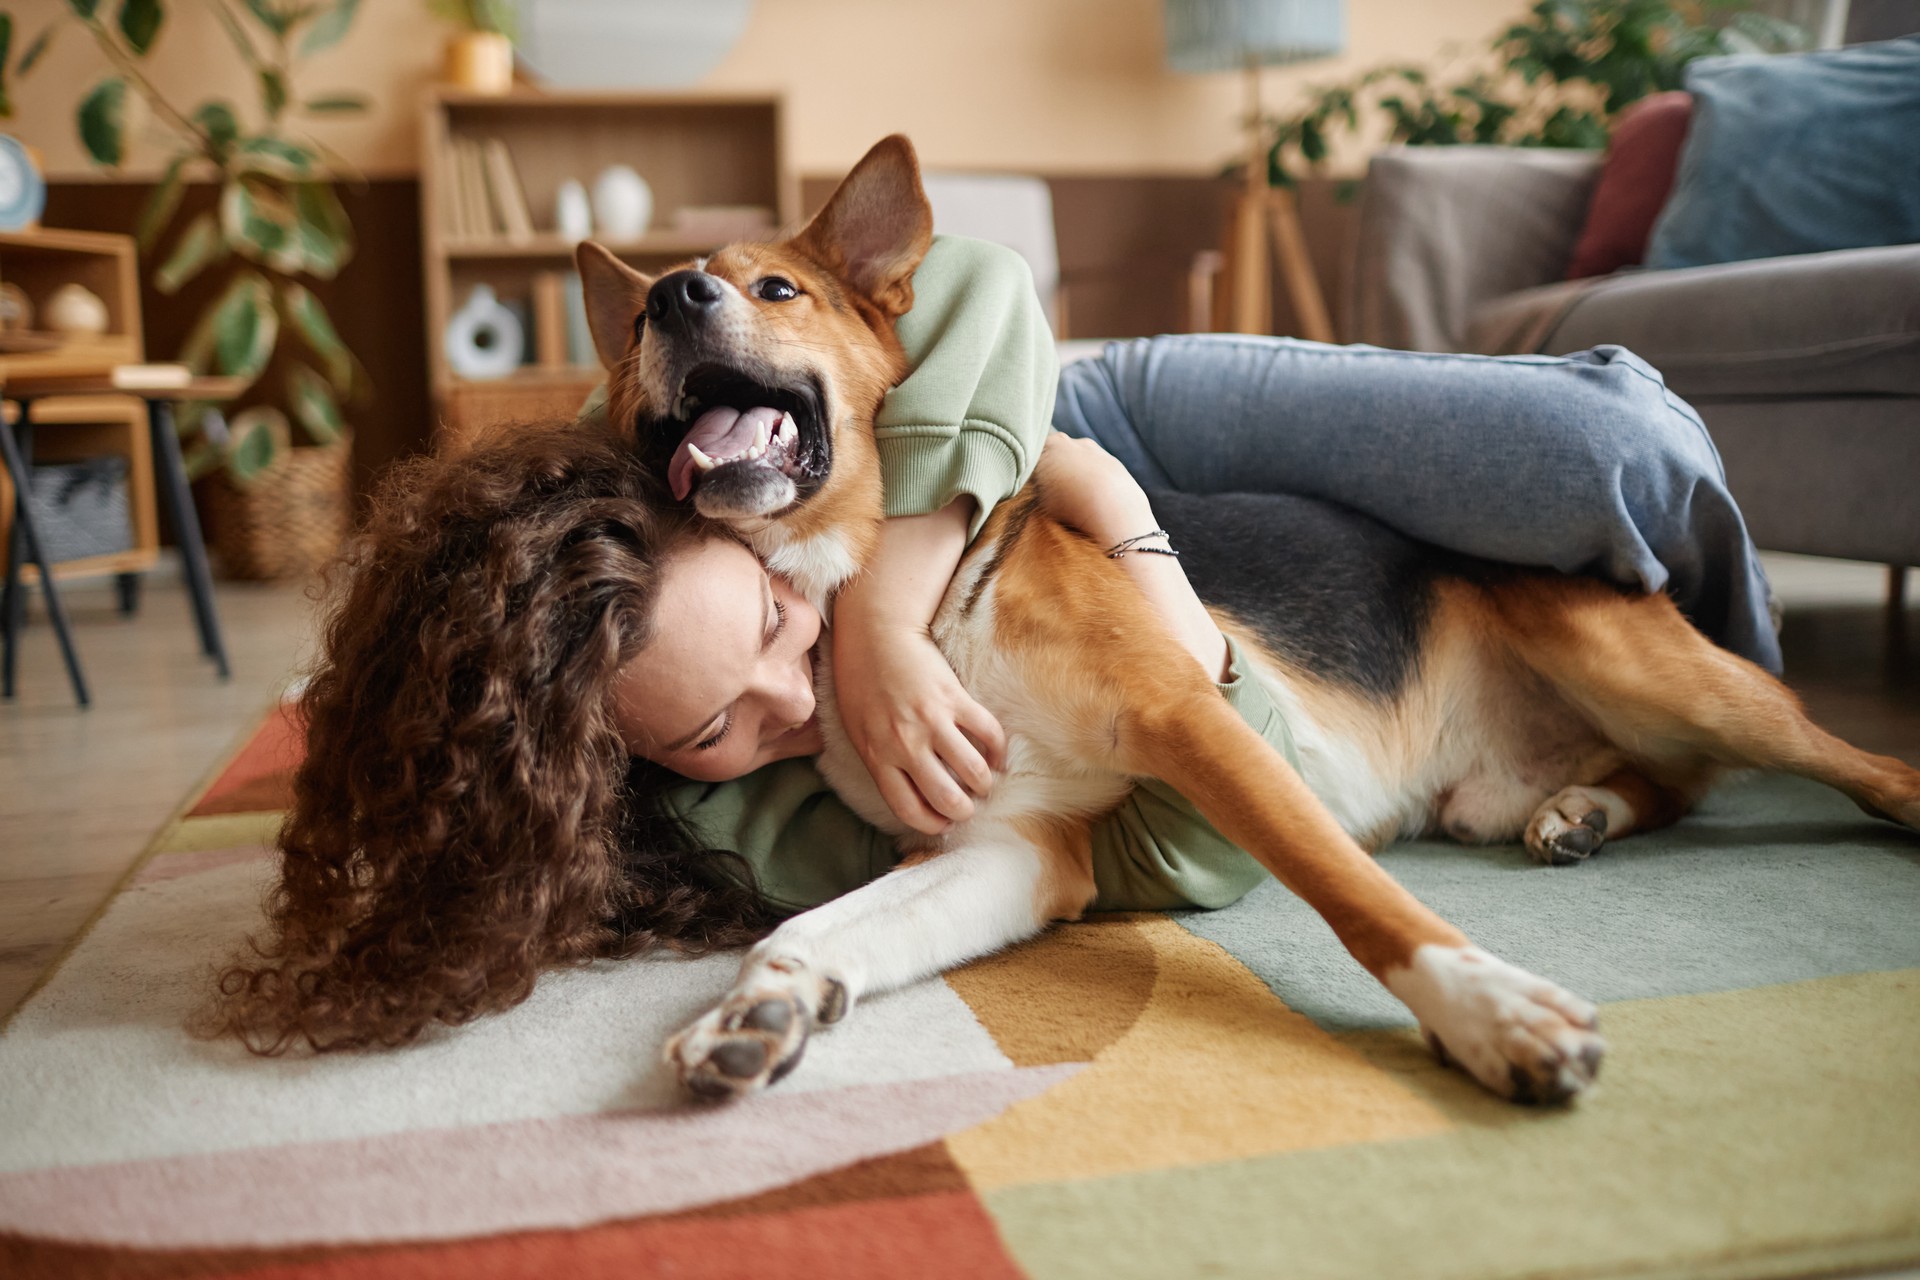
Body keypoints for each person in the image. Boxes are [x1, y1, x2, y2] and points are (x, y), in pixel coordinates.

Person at [209, 237, 1776, 1054]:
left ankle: (1716, 684)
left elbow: (970, 289)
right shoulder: (626, 661)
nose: (785, 681)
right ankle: (1648, 773)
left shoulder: (619, 446)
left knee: (1616, 464)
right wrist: (808, 952)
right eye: (709, 730)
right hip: (1227, 623)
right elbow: (1065, 855)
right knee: (1600, 521)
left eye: (768, 627)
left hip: (1065, 398)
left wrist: (889, 607)